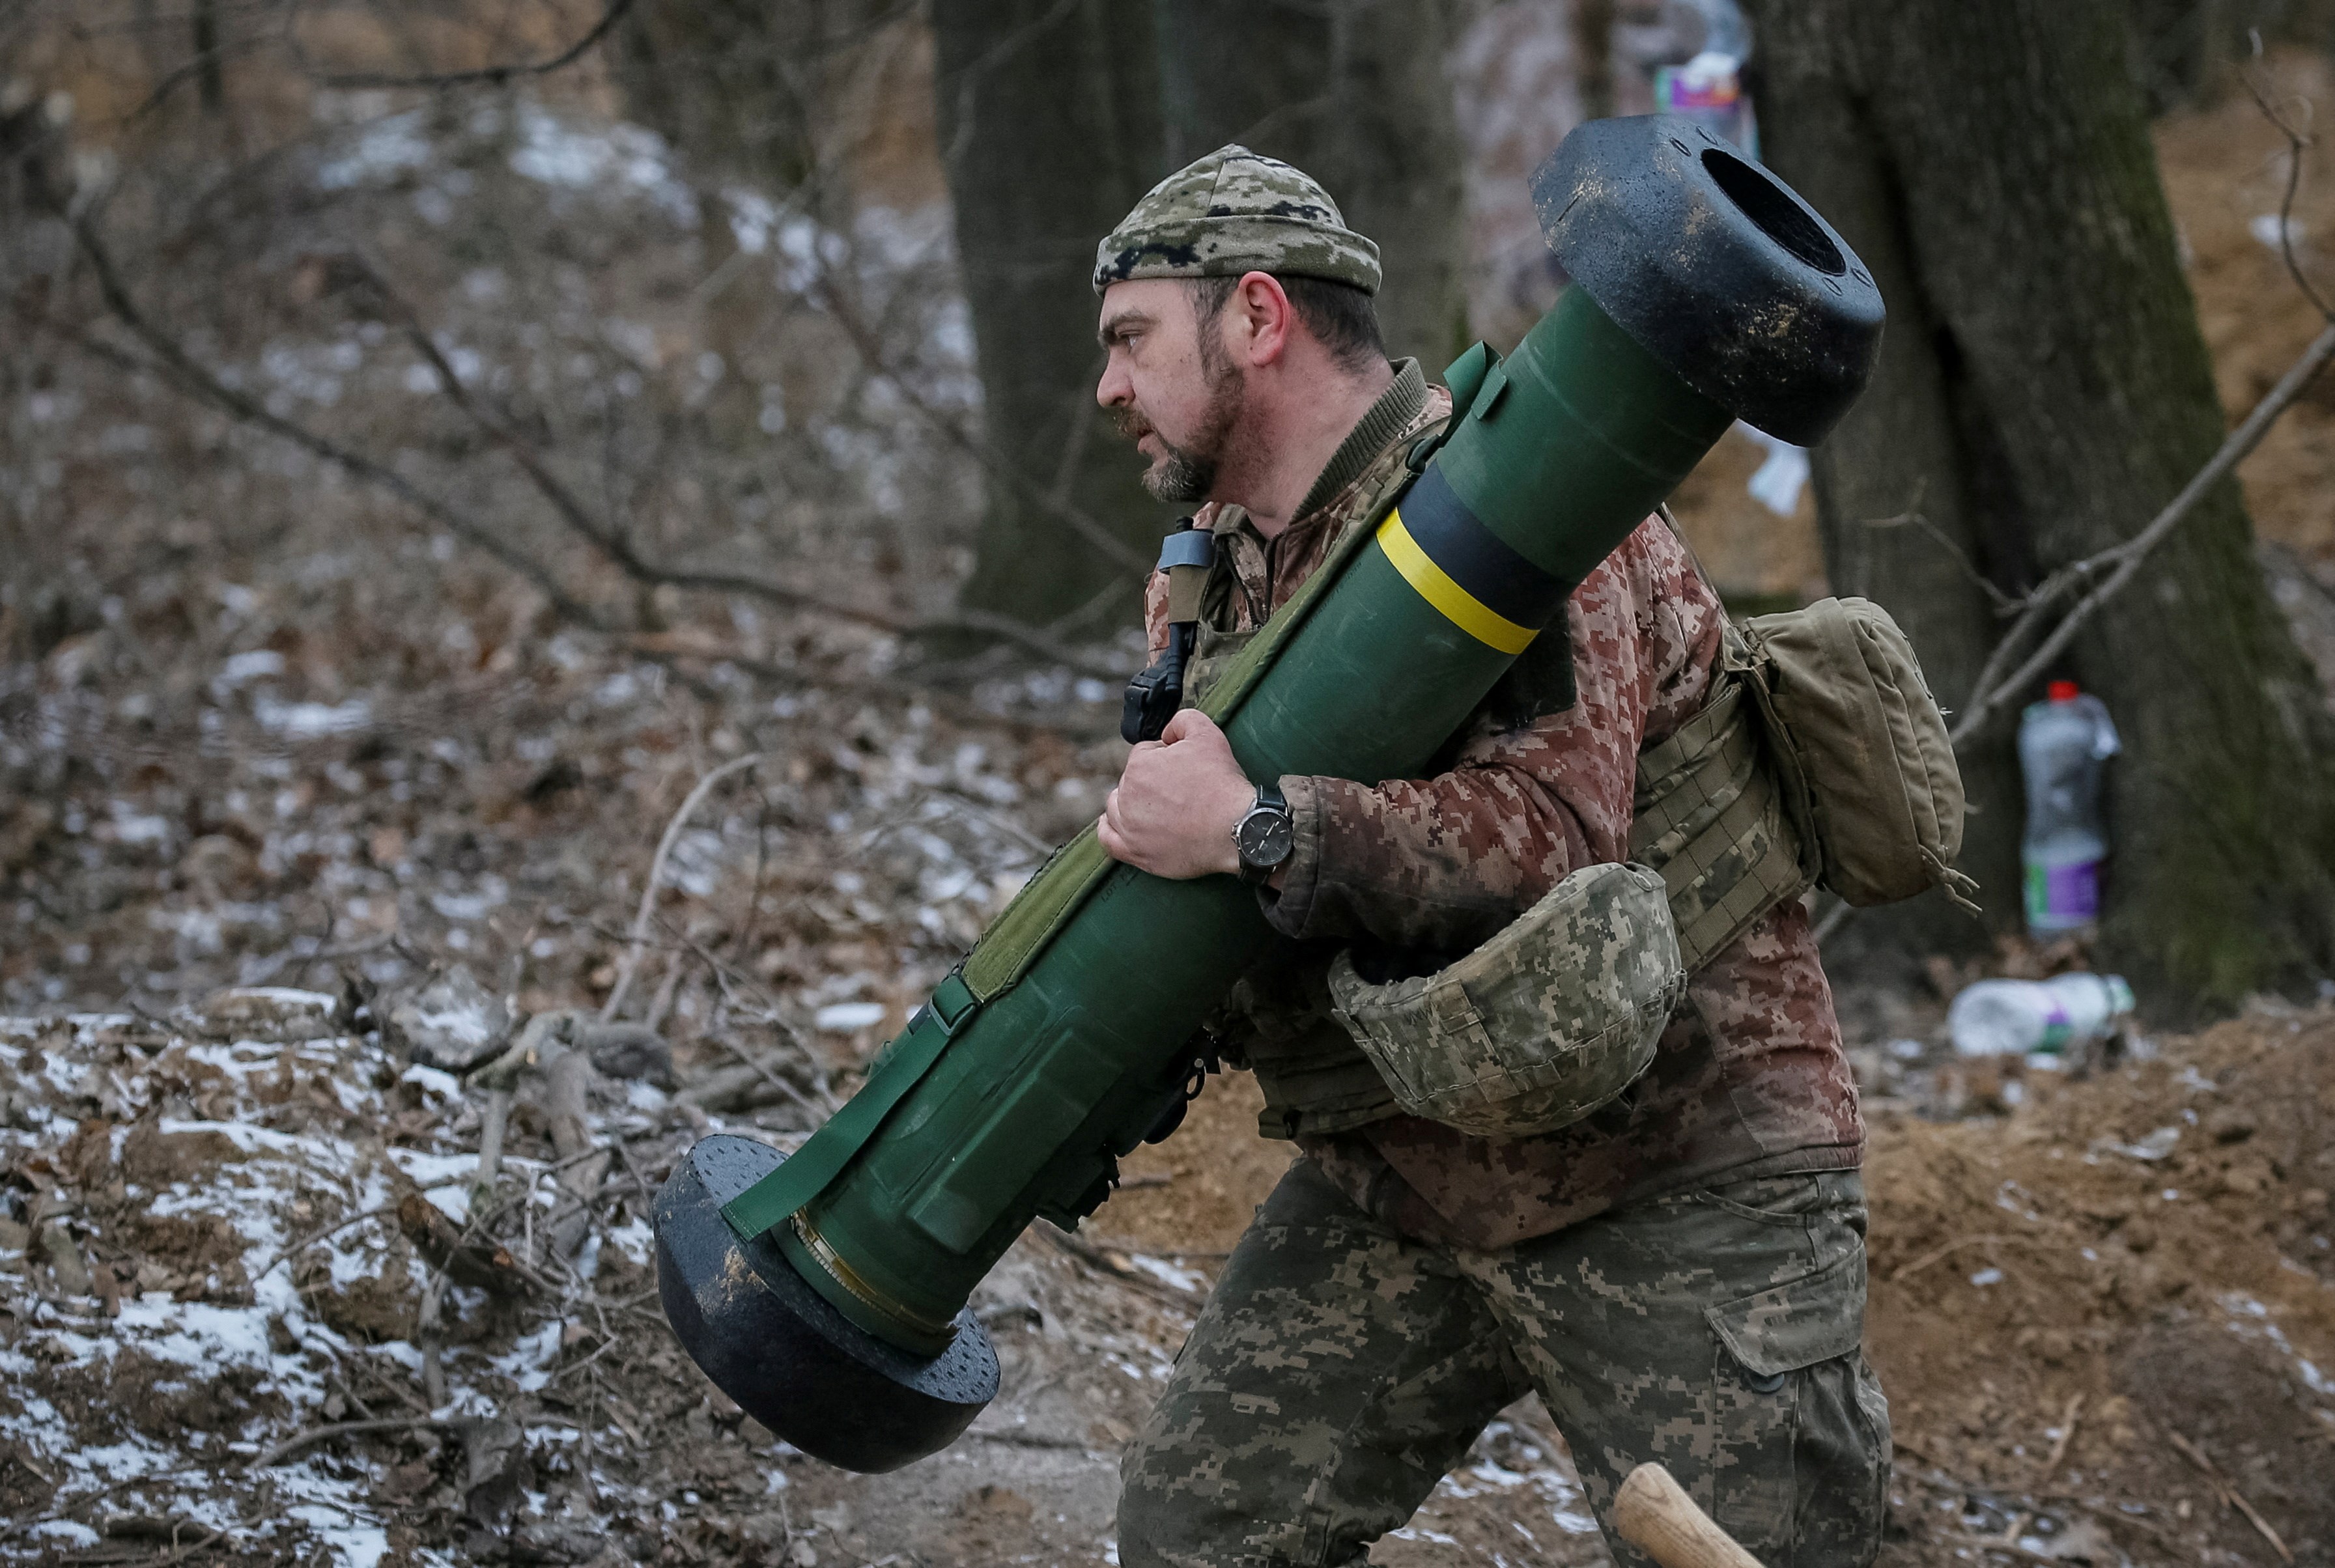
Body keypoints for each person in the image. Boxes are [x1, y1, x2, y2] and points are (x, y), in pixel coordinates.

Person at [1088, 144, 1888, 1568]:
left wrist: (1257, 828)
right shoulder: (1217, 574)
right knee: (1190, 1539)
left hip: (1677, 1171)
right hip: (1405, 1178)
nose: (1108, 388)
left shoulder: (1525, 500)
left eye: (1129, 338)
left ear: (1255, 319)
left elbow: (1548, 839)